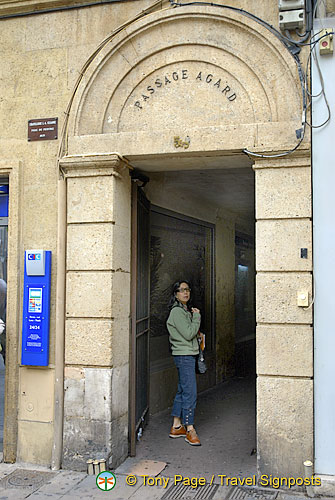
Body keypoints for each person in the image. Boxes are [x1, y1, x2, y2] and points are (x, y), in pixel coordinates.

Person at [166, 280, 203, 446]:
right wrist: (197, 317)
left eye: (187, 289)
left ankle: (176, 426)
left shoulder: (184, 310)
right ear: (175, 294)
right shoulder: (177, 312)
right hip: (184, 355)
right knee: (190, 392)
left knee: (183, 390)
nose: (185, 293)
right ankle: (189, 429)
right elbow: (188, 333)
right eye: (181, 290)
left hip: (186, 354)